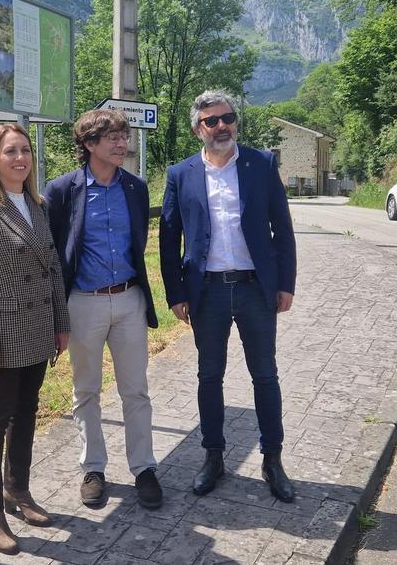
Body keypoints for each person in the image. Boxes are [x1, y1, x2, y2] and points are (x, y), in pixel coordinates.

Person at [158, 90, 297, 503]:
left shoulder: (261, 164)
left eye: (228, 118)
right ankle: (213, 457)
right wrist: (175, 293)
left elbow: (282, 229)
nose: (222, 127)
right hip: (208, 293)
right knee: (209, 376)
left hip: (256, 288)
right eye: (211, 121)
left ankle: (273, 459)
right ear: (198, 129)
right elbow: (169, 239)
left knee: (265, 376)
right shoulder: (180, 173)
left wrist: (285, 283)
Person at [0, 123, 71, 555]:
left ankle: (17, 490)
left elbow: (54, 268)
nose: (19, 158)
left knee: (27, 412)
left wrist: (62, 323)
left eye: (25, 150)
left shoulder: (37, 204)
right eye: (10, 151)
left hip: (39, 327)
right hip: (1, 335)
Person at [44, 109, 163, 510]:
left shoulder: (135, 187)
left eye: (123, 136)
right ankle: (93, 468)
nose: (121, 144)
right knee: (86, 391)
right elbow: (54, 250)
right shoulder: (62, 190)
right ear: (89, 144)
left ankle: (144, 468)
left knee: (136, 390)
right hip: (83, 303)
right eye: (111, 137)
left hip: (129, 299)